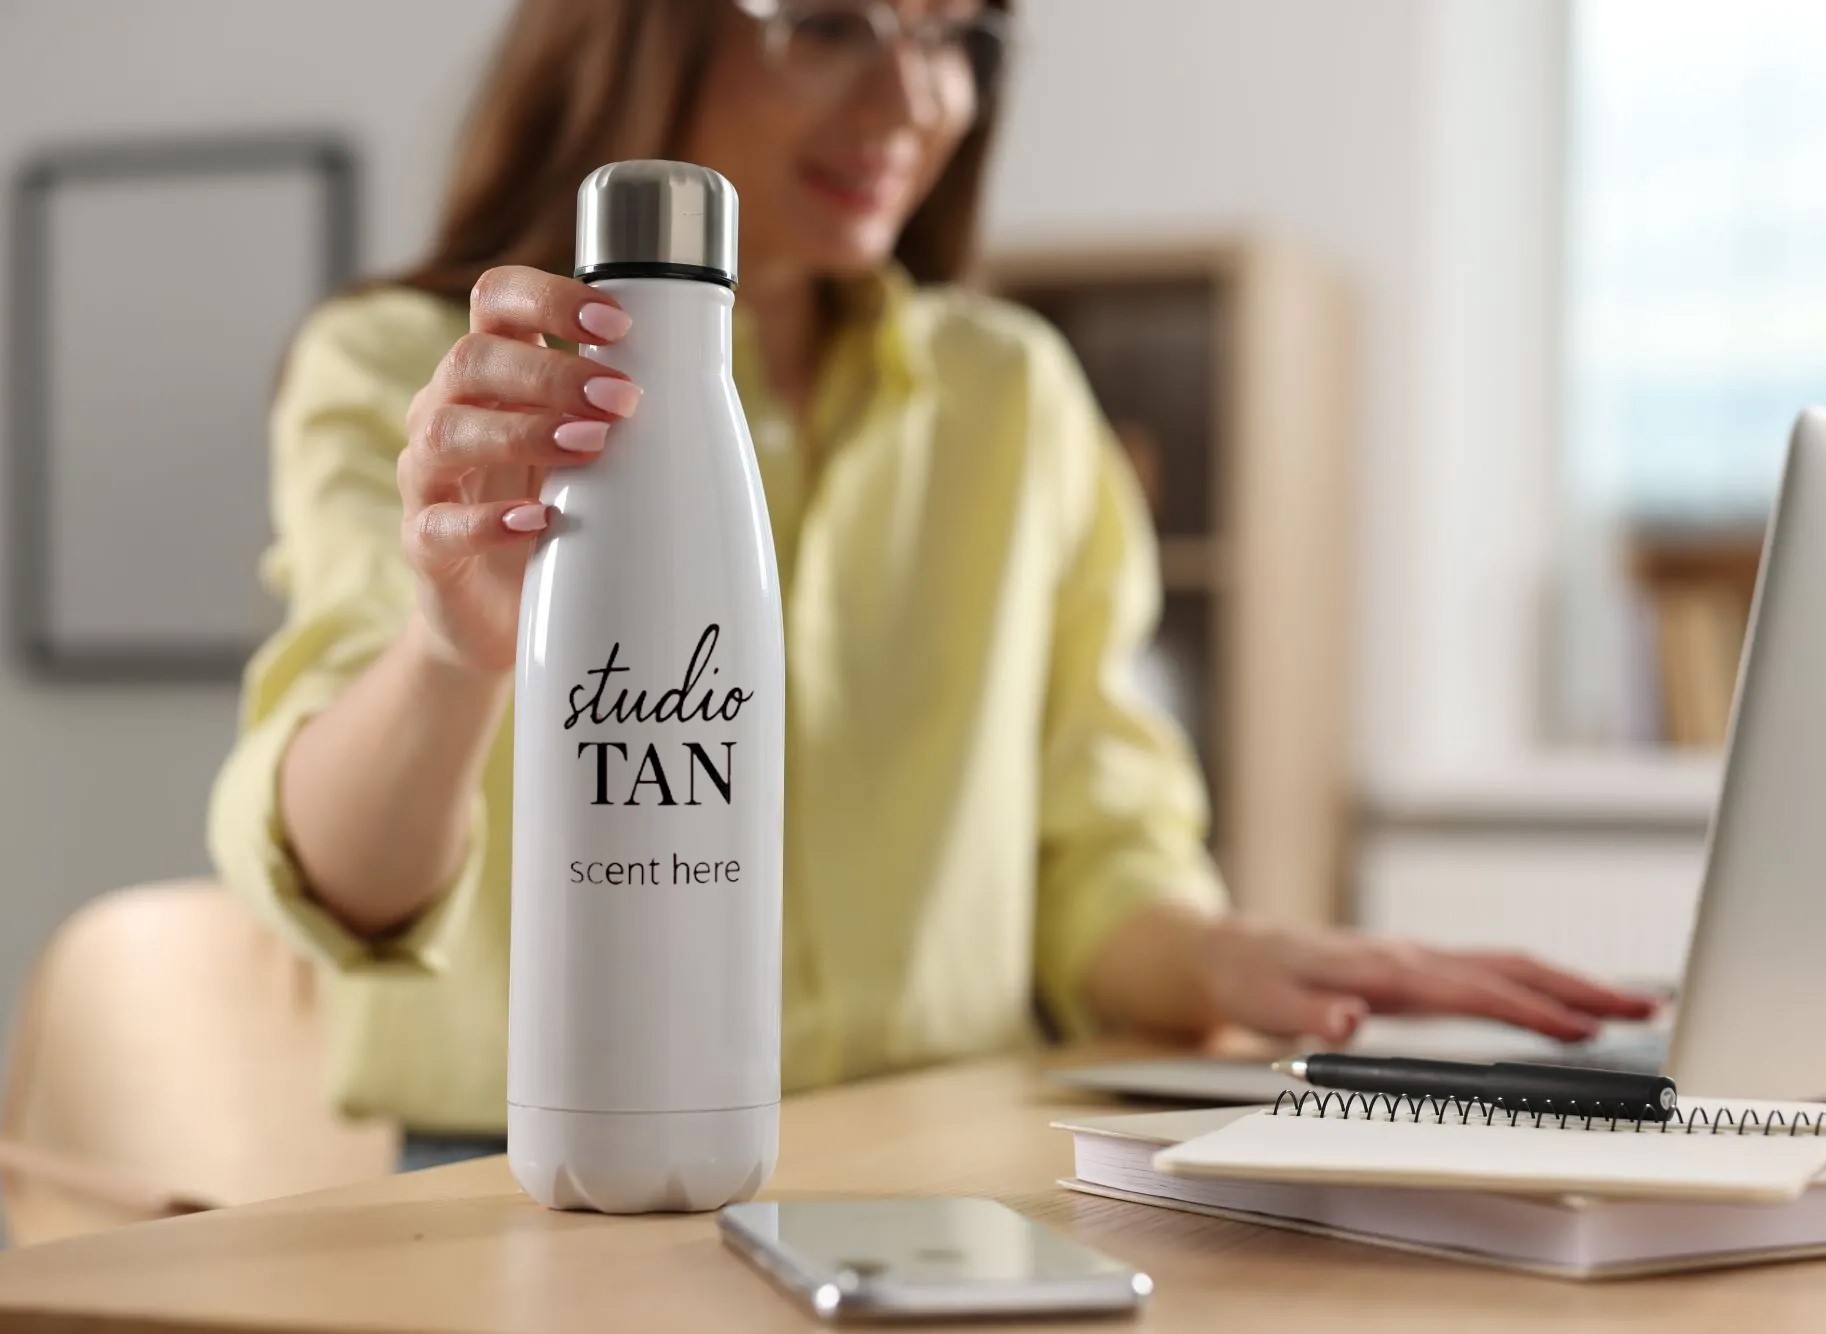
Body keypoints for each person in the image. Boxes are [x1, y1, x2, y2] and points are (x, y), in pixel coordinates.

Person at [209, 0, 1654, 1162]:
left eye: (958, 33)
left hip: (944, 1150)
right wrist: (453, 651)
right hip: (523, 1163)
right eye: (829, 22)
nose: (916, 100)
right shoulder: (420, 377)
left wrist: (1229, 959)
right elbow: (337, 879)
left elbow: (1096, 849)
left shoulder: (1009, 393)